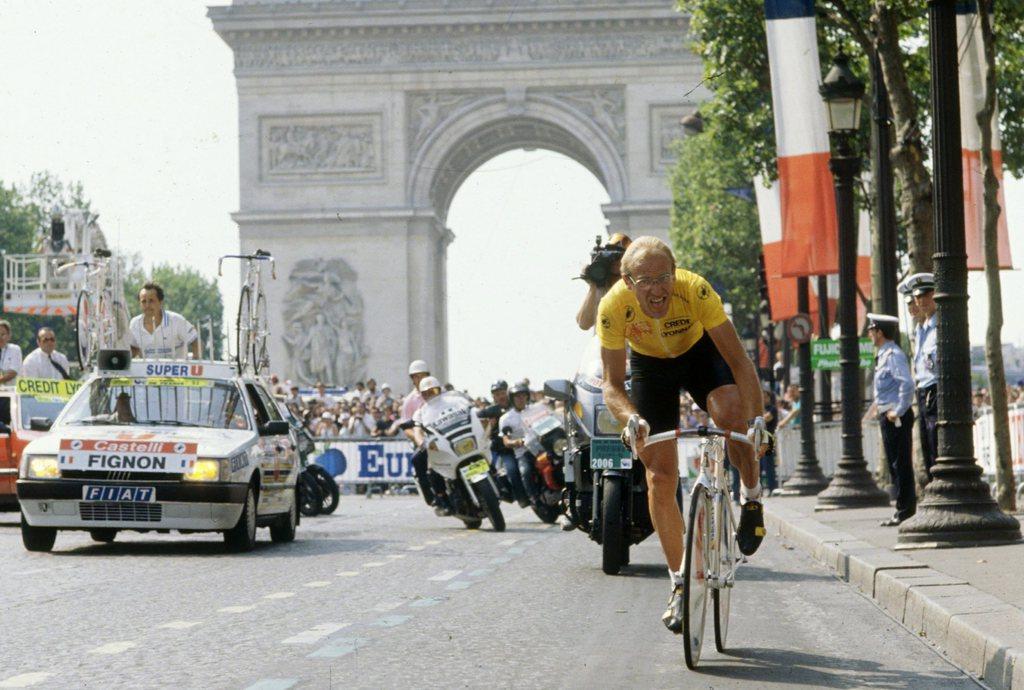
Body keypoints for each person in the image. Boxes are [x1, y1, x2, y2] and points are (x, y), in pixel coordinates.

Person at [595, 236, 765, 634]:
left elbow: (740, 362)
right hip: (651, 368)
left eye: (663, 278)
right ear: (627, 281)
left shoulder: (695, 289)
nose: (657, 289)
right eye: (645, 281)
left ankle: (751, 495)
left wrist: (756, 421)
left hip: (699, 354)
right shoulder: (613, 306)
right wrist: (631, 419)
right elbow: (612, 385)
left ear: (675, 273)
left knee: (730, 414)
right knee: (658, 474)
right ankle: (680, 581)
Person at [863, 313, 916, 526]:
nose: (869, 334)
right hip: (888, 414)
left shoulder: (892, 354)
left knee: (900, 463)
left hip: (896, 416)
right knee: (895, 464)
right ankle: (902, 509)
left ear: (879, 332)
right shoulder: (884, 354)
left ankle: (905, 511)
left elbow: (906, 383)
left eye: (871, 331)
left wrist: (899, 409)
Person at [409, 375, 459, 515]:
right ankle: (441, 499)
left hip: (458, 438)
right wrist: (421, 443)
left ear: (440, 390)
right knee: (427, 465)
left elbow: (470, 411)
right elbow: (417, 430)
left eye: (433, 391)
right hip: (439, 444)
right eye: (426, 393)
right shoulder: (421, 412)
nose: (431, 395)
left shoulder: (453, 403)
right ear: (422, 395)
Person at [399, 360, 441, 508]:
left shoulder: (438, 392)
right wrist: (420, 440)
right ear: (412, 379)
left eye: (422, 376)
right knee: (418, 459)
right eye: (415, 377)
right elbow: (406, 427)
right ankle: (431, 496)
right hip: (424, 440)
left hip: (443, 435)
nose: (419, 380)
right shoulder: (410, 401)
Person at [908, 273, 938, 476]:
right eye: (918, 297)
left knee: (935, 438)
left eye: (926, 295)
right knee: (926, 440)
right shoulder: (921, 330)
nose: (921, 301)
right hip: (923, 390)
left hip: (935, 389)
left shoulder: (940, 325)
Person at [128, 283, 201, 360]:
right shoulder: (134, 323)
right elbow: (133, 349)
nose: (147, 305)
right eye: (143, 301)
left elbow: (196, 340)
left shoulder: (176, 320)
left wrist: (195, 362)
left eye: (151, 301)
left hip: (175, 371)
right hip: (147, 371)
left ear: (160, 302)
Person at [499, 381, 542, 507]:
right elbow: (506, 441)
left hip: (542, 448)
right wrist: (517, 442)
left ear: (527, 396)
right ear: (512, 399)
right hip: (524, 452)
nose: (520, 399)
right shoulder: (506, 418)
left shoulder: (536, 410)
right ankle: (534, 499)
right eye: (517, 396)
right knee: (526, 471)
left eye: (523, 395)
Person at [576, 233, 631, 330]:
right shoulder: (601, 287)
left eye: (619, 256)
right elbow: (584, 324)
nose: (614, 261)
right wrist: (593, 285)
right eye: (609, 255)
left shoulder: (635, 285)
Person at [488, 380, 529, 507]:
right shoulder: (489, 411)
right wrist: (488, 426)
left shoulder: (519, 404)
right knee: (511, 470)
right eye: (496, 394)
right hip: (506, 450)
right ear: (493, 396)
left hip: (527, 444)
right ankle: (522, 498)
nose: (500, 396)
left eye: (502, 392)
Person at [0, 320, 23, 385]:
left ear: (9, 336)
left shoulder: (15, 349)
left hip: (11, 391)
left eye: (3, 334)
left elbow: (13, 373)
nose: (0, 337)